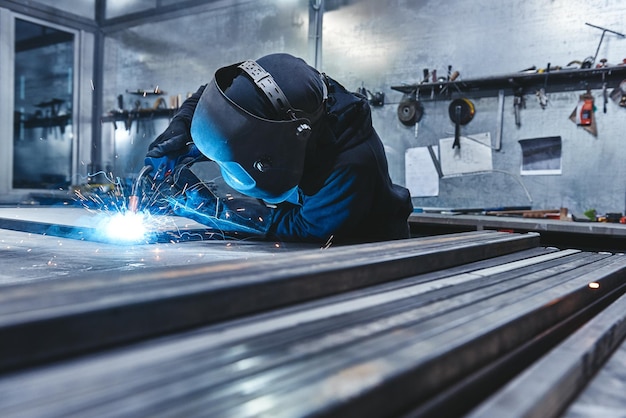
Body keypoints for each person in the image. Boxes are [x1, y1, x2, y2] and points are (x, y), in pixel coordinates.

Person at [144, 53, 412, 245]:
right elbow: (214, 95)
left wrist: (210, 209)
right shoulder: (276, 89)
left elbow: (306, 228)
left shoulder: (350, 166)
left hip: (362, 252)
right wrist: (181, 127)